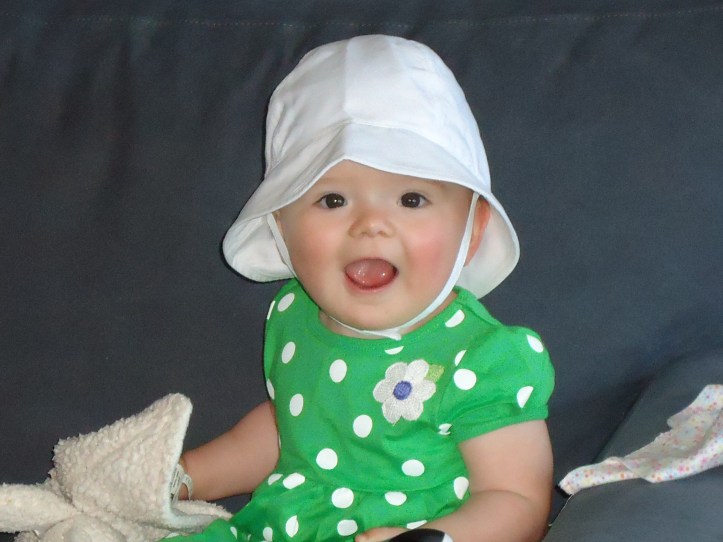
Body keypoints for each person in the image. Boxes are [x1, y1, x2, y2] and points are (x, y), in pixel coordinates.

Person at [166, 34, 555, 542]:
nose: (371, 225)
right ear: (281, 229)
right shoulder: (293, 316)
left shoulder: (484, 360)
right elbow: (287, 430)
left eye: (411, 199)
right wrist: (186, 477)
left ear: (472, 230)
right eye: (333, 201)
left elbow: (515, 498)